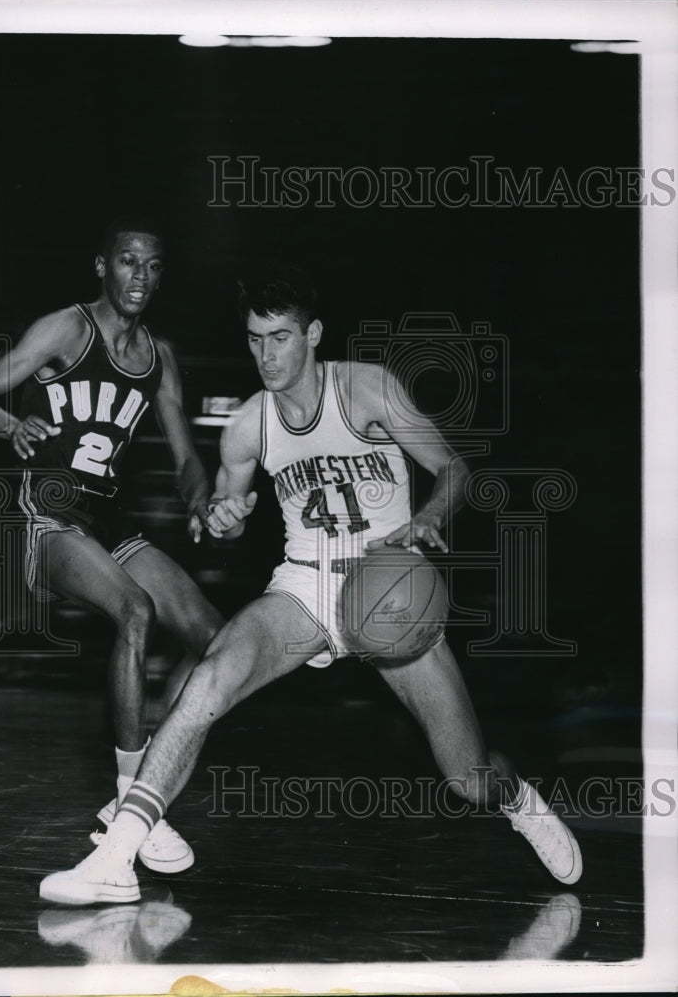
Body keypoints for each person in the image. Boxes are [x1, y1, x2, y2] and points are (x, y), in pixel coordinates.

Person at [40, 266, 582, 905]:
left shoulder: (369, 391)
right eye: (254, 339)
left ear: (314, 334)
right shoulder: (249, 425)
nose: (266, 355)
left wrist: (432, 515)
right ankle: (115, 859)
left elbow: (454, 468)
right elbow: (223, 513)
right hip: (307, 587)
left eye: (280, 338)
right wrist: (223, 517)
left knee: (469, 777)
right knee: (210, 676)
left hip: (388, 588)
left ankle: (518, 798)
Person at [0, 215, 223, 874]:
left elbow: (188, 457)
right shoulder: (67, 328)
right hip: (43, 516)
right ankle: (129, 804)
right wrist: (8, 422)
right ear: (103, 266)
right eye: (129, 262)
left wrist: (201, 499)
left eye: (153, 266)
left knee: (217, 642)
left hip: (110, 521)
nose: (141, 276)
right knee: (134, 612)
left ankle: (139, 791)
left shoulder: (159, 358)